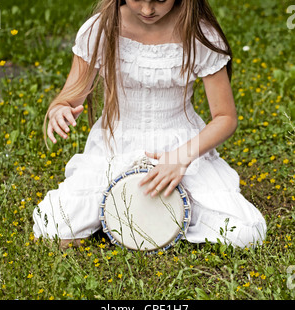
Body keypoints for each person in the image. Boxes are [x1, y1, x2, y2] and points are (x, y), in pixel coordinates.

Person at [33, 0, 267, 249]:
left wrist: (180, 158)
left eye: (160, 0)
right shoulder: (100, 29)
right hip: (115, 148)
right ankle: (116, 211)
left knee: (244, 234)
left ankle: (141, 214)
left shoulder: (199, 34)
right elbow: (69, 98)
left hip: (178, 148)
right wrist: (60, 110)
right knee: (53, 229)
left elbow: (225, 118)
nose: (147, 10)